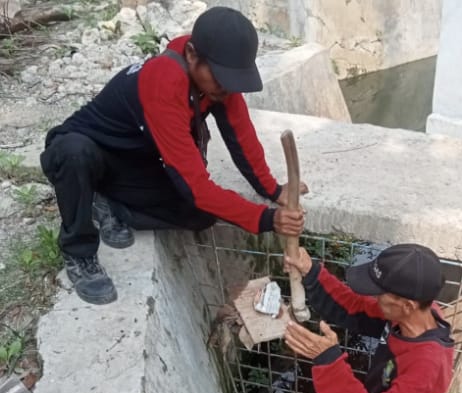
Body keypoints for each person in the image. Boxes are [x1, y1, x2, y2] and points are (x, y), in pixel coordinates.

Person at [40, 7, 306, 305]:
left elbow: (241, 136)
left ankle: (110, 205)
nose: (227, 87)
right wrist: (268, 219)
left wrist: (272, 190)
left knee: (202, 213)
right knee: (74, 152)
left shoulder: (217, 76)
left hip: (135, 162)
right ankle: (78, 252)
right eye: (221, 78)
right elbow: (198, 187)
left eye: (233, 79)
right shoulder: (164, 81)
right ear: (192, 54)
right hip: (89, 154)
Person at [284, 244, 454, 393]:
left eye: (380, 292)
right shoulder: (411, 316)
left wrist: (329, 362)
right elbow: (355, 307)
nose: (375, 297)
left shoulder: (427, 365)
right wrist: (313, 273)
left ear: (407, 305)